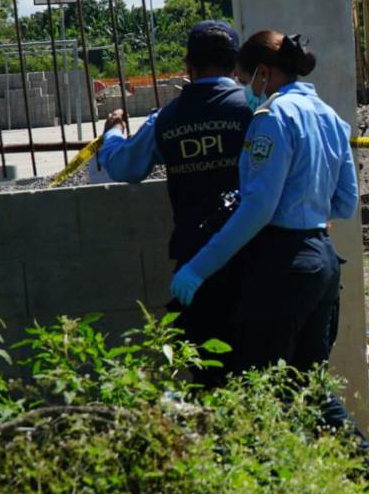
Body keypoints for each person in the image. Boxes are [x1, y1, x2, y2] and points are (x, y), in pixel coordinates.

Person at [169, 29, 369, 488]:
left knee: (258, 386)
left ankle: (269, 493)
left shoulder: (270, 118)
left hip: (283, 265)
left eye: (245, 78)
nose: (244, 88)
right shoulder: (328, 116)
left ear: (263, 73)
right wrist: (304, 205)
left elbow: (257, 209)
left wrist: (199, 267)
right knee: (306, 385)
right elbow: (345, 204)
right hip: (323, 260)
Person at [96, 20, 252, 387]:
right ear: (235, 65)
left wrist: (112, 135)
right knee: (261, 366)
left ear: (188, 66)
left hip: (195, 261)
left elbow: (124, 166)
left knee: (210, 372)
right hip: (255, 256)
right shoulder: (255, 109)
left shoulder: (167, 118)